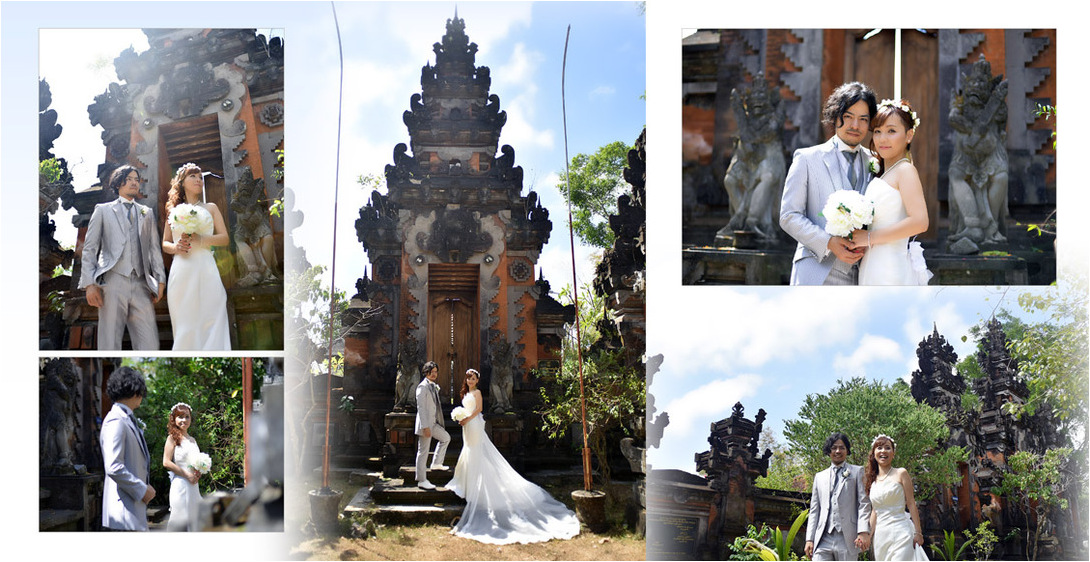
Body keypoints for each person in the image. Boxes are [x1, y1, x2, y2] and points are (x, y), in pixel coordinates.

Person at [448, 368, 580, 544]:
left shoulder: (478, 393)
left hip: (474, 425)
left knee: (477, 453)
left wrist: (466, 419)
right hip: (467, 427)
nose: (470, 380)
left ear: (477, 380)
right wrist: (460, 417)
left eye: (472, 378)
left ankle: (480, 490)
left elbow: (478, 409)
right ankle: (469, 486)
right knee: (469, 452)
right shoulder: (465, 392)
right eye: (468, 378)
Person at [780, 82, 878, 285]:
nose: (855, 126)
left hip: (863, 275)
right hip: (816, 271)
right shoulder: (807, 159)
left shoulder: (875, 163)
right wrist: (828, 242)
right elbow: (789, 216)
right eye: (848, 116)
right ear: (835, 116)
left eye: (863, 119)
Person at [78, 165, 166, 350]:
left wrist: (160, 280)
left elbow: (153, 249)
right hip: (113, 280)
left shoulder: (146, 212)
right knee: (108, 341)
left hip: (142, 282)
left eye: (137, 179)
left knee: (149, 343)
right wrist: (89, 284)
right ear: (119, 183)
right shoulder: (103, 210)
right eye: (130, 179)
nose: (135, 182)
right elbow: (89, 249)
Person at [848, 99, 932, 285]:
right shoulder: (885, 173)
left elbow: (920, 222)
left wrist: (869, 238)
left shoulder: (905, 170)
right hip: (872, 263)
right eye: (877, 131)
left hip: (890, 267)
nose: (882, 139)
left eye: (891, 131)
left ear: (909, 135)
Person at [162, 163, 232, 350]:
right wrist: (176, 247)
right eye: (193, 176)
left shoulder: (211, 208)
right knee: (186, 320)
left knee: (214, 311)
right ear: (182, 182)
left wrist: (202, 239)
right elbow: (165, 243)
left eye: (200, 177)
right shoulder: (174, 210)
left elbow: (224, 238)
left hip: (206, 266)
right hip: (182, 269)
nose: (198, 180)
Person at [100, 367, 155, 530]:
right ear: (135, 391)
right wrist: (142, 490)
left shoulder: (126, 419)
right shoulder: (116, 421)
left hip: (131, 511)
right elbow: (113, 467)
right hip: (123, 513)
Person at [805, 432, 872, 560]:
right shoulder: (819, 477)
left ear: (847, 450)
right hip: (823, 537)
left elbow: (863, 503)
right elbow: (814, 510)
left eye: (842, 447)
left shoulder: (857, 471)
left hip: (847, 537)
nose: (838, 451)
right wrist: (809, 539)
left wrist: (863, 531)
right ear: (829, 451)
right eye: (834, 447)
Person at [865, 435, 928, 560]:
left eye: (888, 448)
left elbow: (911, 503)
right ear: (874, 453)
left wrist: (918, 532)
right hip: (881, 536)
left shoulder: (901, 473)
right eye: (879, 448)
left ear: (893, 453)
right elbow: (875, 511)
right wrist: (868, 535)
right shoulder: (872, 481)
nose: (883, 451)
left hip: (901, 532)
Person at [162, 402, 204, 531]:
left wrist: (199, 472)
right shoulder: (172, 438)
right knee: (179, 522)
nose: (184, 420)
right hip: (180, 484)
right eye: (180, 417)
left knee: (194, 520)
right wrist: (187, 475)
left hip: (193, 485)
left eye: (187, 417)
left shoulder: (192, 440)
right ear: (174, 419)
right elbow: (166, 462)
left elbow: (196, 460)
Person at [414, 361, 450, 490]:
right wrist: (425, 427)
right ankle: (421, 480)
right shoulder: (422, 387)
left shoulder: (433, 386)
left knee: (446, 438)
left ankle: (436, 463)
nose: (434, 374)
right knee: (423, 452)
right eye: (432, 371)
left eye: (436, 372)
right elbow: (421, 408)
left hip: (433, 423)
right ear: (426, 372)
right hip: (425, 425)